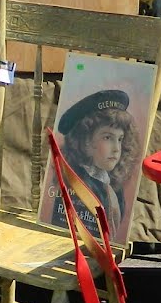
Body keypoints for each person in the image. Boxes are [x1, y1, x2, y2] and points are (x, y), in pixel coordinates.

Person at [44, 89, 139, 239]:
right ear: (86, 141)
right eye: (107, 137)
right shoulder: (77, 184)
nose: (116, 148)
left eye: (120, 139)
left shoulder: (112, 187)